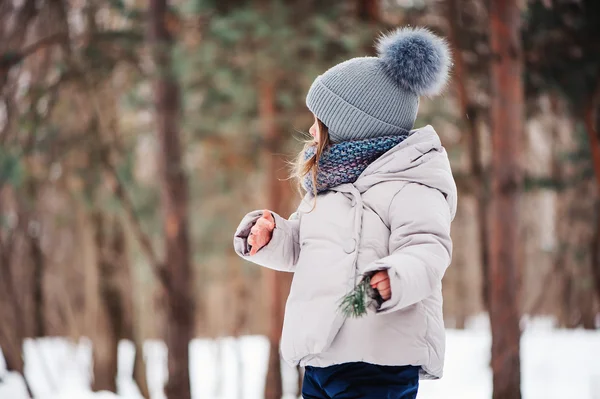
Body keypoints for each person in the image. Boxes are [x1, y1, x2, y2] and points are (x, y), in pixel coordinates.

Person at [233, 27, 457, 399]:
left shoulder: (410, 184)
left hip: (378, 359)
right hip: (323, 358)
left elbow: (429, 250)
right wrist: (273, 236)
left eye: (319, 121)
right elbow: (307, 250)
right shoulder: (330, 187)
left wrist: (395, 276)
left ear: (354, 128)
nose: (310, 129)